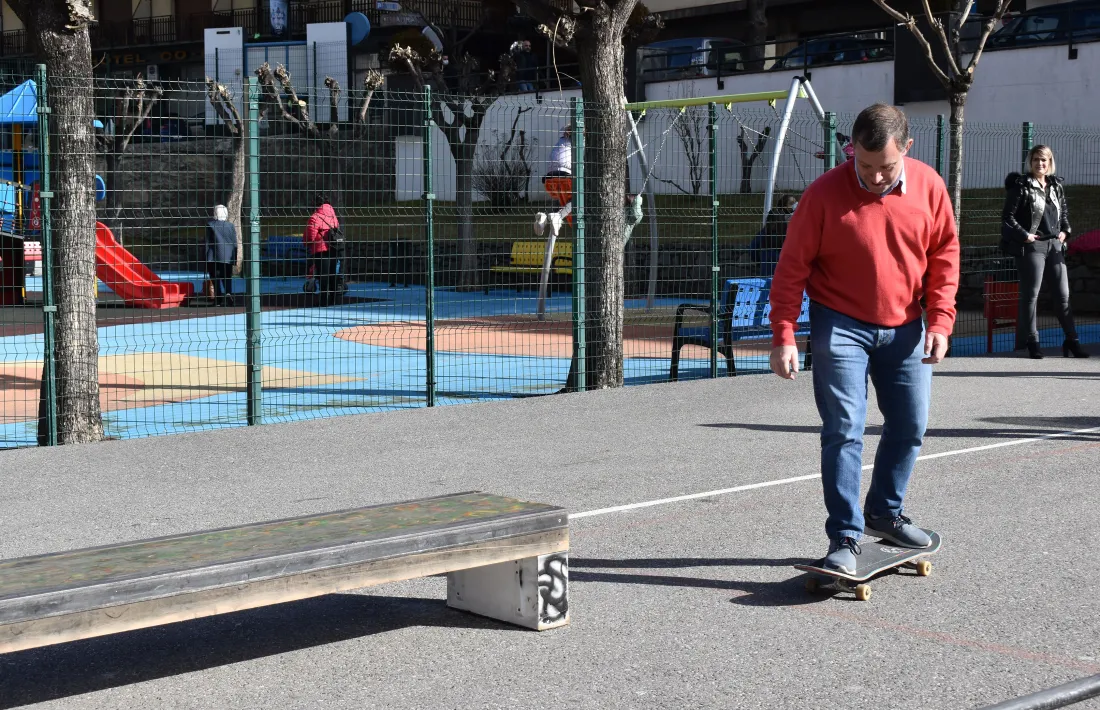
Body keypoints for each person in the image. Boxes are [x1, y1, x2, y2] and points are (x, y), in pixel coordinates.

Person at [768, 103, 960, 575]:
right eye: (865, 165)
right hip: (840, 324)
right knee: (844, 430)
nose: (874, 177)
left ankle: (883, 513)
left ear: (907, 149)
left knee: (910, 425)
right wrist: (784, 334)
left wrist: (940, 321)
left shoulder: (931, 188)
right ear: (851, 149)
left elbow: (944, 257)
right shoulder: (823, 194)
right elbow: (792, 267)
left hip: (907, 325)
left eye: (886, 167)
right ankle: (846, 537)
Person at [1001, 145, 1089, 359]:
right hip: (1032, 246)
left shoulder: (1056, 186)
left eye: (1044, 160)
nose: (1040, 164)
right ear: (1030, 162)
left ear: (1050, 163)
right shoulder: (1021, 186)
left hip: (1055, 246)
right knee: (1031, 296)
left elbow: (1064, 213)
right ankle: (1033, 341)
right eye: (1036, 160)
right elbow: (1007, 217)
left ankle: (1072, 340)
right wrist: (1025, 235)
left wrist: (1065, 231)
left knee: (1063, 296)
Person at [534, 126, 573, 238]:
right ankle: (559, 217)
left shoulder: (561, 140)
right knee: (578, 200)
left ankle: (544, 218)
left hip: (550, 177)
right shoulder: (579, 142)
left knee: (561, 200)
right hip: (565, 175)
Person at [304, 194, 341, 305]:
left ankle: (323, 300)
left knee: (323, 275)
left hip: (321, 249)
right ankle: (333, 299)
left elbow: (311, 236)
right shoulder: (333, 216)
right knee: (332, 274)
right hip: (334, 247)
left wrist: (307, 243)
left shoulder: (315, 217)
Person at [749, 194, 798, 277]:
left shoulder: (765, 232)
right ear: (784, 208)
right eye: (792, 203)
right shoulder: (791, 230)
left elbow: (753, 249)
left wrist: (759, 260)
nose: (795, 205)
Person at [205, 204, 237, 307]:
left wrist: (205, 257)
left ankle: (218, 299)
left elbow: (207, 243)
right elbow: (234, 242)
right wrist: (234, 258)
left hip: (213, 256)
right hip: (228, 256)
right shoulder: (231, 226)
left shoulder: (210, 225)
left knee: (215, 278)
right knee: (227, 277)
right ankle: (228, 293)